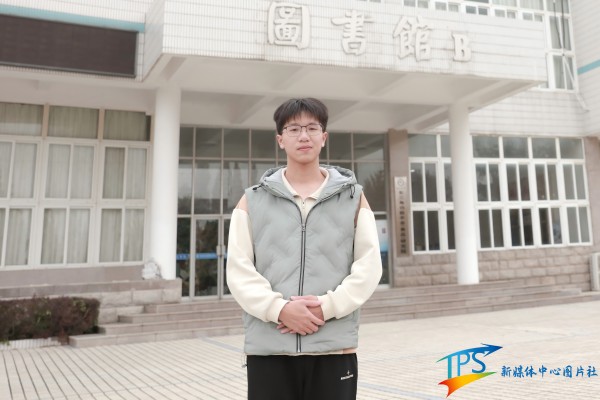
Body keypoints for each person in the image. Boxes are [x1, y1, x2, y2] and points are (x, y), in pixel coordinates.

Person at [227, 98, 382, 400]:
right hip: (269, 351)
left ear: (324, 137)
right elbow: (238, 270)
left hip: (333, 349)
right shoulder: (251, 201)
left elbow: (369, 266)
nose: (303, 136)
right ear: (280, 139)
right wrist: (280, 310)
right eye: (294, 128)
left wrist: (326, 307)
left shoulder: (353, 198)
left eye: (312, 128)